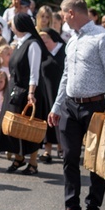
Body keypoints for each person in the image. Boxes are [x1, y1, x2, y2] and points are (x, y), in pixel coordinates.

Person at [48, 0, 105, 210]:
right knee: (69, 157)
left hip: (96, 106)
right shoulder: (71, 40)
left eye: (61, 13)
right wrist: (57, 106)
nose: (60, 17)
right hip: (70, 105)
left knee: (96, 161)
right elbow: (66, 76)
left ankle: (92, 209)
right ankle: (72, 208)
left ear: (71, 13)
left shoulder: (102, 37)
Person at [0, 13, 49, 175]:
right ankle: (19, 157)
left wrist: (31, 92)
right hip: (15, 89)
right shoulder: (19, 43)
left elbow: (34, 72)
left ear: (20, 26)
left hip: (29, 90)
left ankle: (33, 162)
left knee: (30, 126)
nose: (11, 26)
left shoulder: (33, 44)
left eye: (13, 24)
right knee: (15, 125)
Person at [38, 28, 66, 163]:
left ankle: (62, 148)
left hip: (61, 91)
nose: (44, 43)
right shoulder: (42, 53)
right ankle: (47, 150)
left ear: (53, 38)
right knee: (47, 119)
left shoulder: (63, 50)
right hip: (46, 92)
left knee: (61, 118)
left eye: (46, 40)